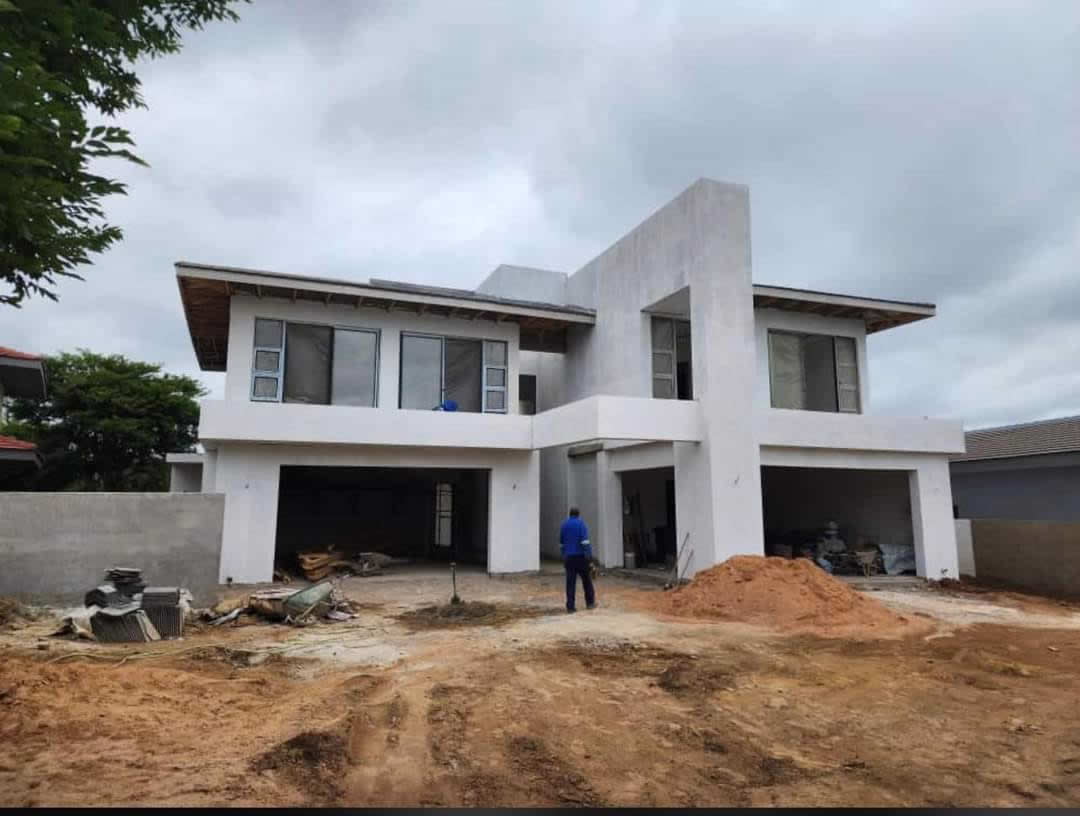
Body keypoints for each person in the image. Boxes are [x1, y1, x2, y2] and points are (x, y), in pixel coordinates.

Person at [560, 506, 596, 613]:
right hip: (581, 557)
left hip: (569, 558)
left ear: (570, 514)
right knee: (586, 580)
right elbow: (585, 542)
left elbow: (561, 544)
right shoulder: (581, 524)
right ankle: (590, 603)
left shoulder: (564, 525)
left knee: (570, 583)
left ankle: (570, 607)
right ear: (578, 514)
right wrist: (589, 558)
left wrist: (564, 556)